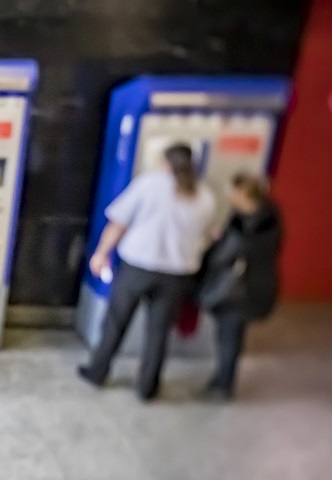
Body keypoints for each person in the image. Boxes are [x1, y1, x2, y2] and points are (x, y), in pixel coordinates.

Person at [78, 143, 218, 400]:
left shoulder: (149, 185)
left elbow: (118, 223)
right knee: (159, 331)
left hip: (138, 267)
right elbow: (210, 234)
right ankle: (147, 387)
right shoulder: (205, 196)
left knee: (116, 321)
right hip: (178, 274)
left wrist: (101, 253)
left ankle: (97, 371)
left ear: (166, 163)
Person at [198, 173, 282, 400]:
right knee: (231, 335)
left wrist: (218, 243)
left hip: (238, 289)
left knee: (228, 337)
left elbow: (223, 257)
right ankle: (221, 381)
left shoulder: (245, 226)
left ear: (242, 194)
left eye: (231, 190)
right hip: (255, 285)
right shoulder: (269, 216)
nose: (228, 194)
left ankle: (223, 386)